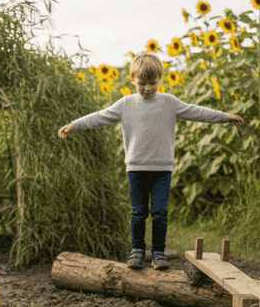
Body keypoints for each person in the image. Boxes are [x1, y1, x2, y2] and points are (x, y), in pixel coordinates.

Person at [58, 53, 243, 270]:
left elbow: (196, 111)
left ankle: (158, 253)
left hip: (162, 170)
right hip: (135, 169)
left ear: (160, 79)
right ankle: (137, 251)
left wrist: (225, 116)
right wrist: (74, 125)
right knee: (138, 212)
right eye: (141, 83)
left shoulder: (169, 102)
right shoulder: (126, 104)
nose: (147, 88)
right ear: (132, 79)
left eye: (152, 83)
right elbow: (100, 116)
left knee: (159, 212)